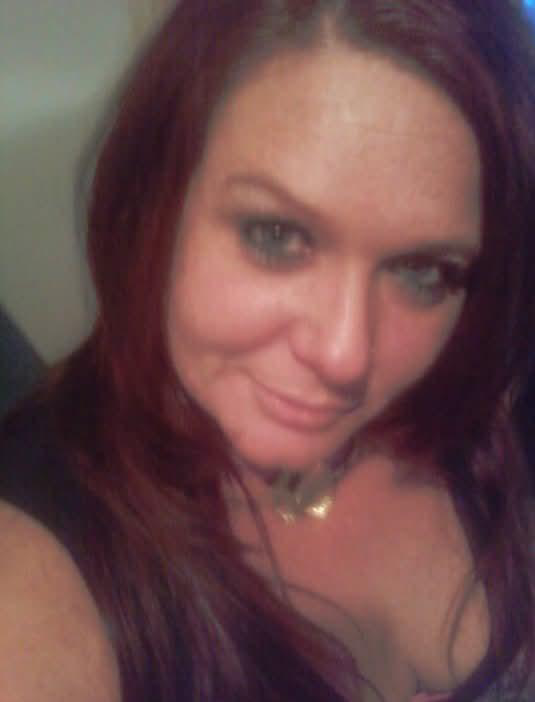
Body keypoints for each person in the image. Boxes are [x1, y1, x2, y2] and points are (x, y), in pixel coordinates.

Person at [1, 1, 534, 700]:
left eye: (422, 271)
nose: (345, 356)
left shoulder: (485, 401)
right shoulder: (33, 582)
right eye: (275, 236)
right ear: (153, 205)